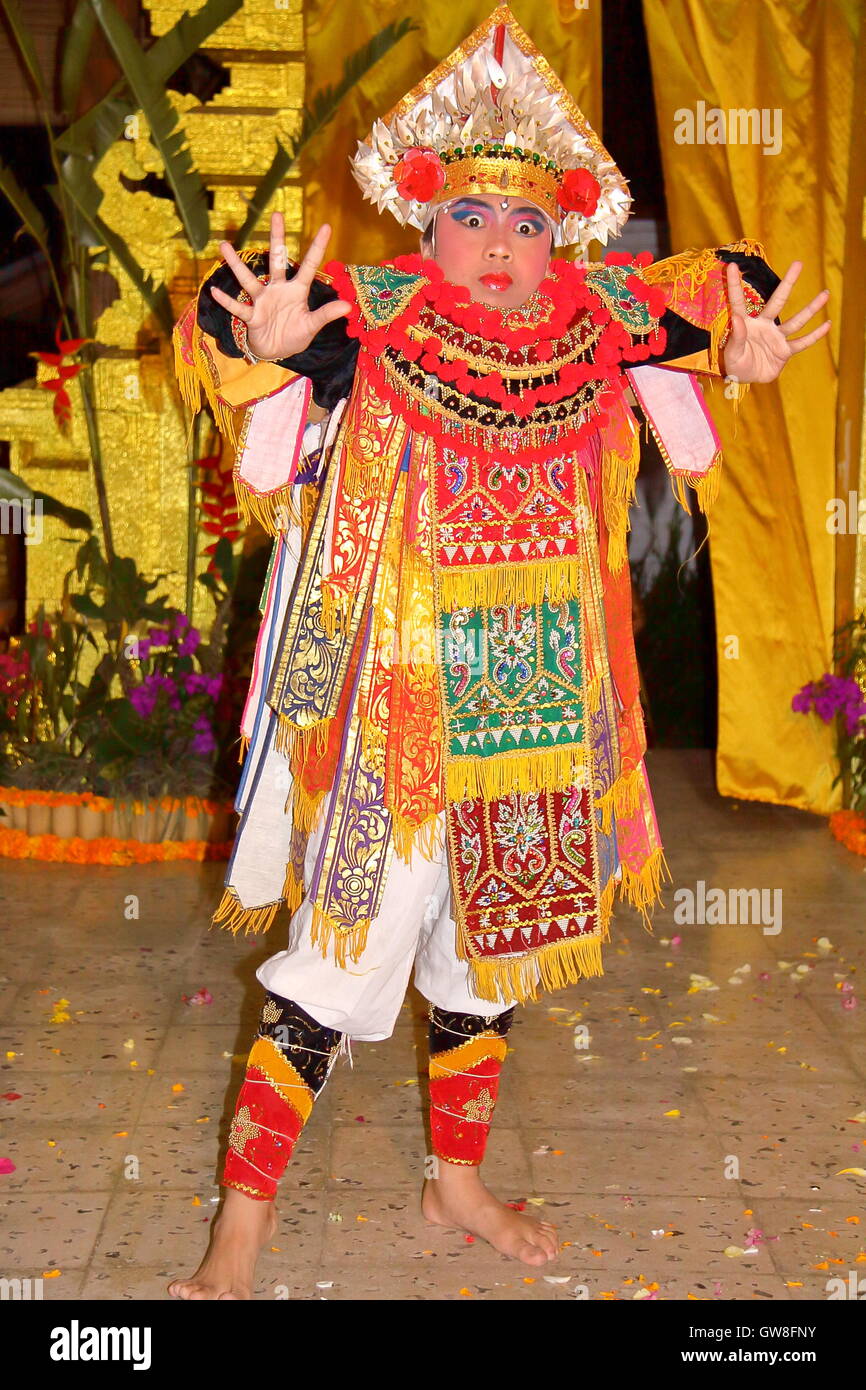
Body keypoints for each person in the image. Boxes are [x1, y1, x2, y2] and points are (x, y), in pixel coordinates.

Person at [168, 6, 830, 1299]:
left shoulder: (595, 316)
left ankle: (453, 1177)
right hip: (393, 714)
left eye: (531, 222)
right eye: (473, 214)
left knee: (497, 944)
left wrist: (736, 342)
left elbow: (723, 275)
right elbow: (240, 304)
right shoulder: (377, 315)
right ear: (422, 223)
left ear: (562, 237)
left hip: (539, 700)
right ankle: (237, 1228)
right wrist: (249, 337)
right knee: (338, 959)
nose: (503, 244)